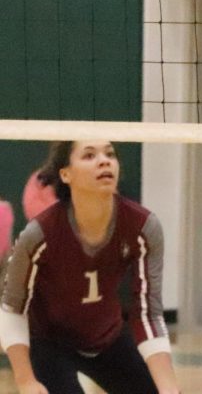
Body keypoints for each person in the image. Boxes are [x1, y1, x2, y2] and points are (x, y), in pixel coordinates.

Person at [0, 141, 180, 394]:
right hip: (48, 343)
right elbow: (12, 310)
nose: (104, 161)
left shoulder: (142, 226)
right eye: (89, 155)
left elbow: (148, 313)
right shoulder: (39, 234)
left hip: (107, 338)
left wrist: (169, 387)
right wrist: (25, 381)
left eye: (110, 154)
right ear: (66, 174)